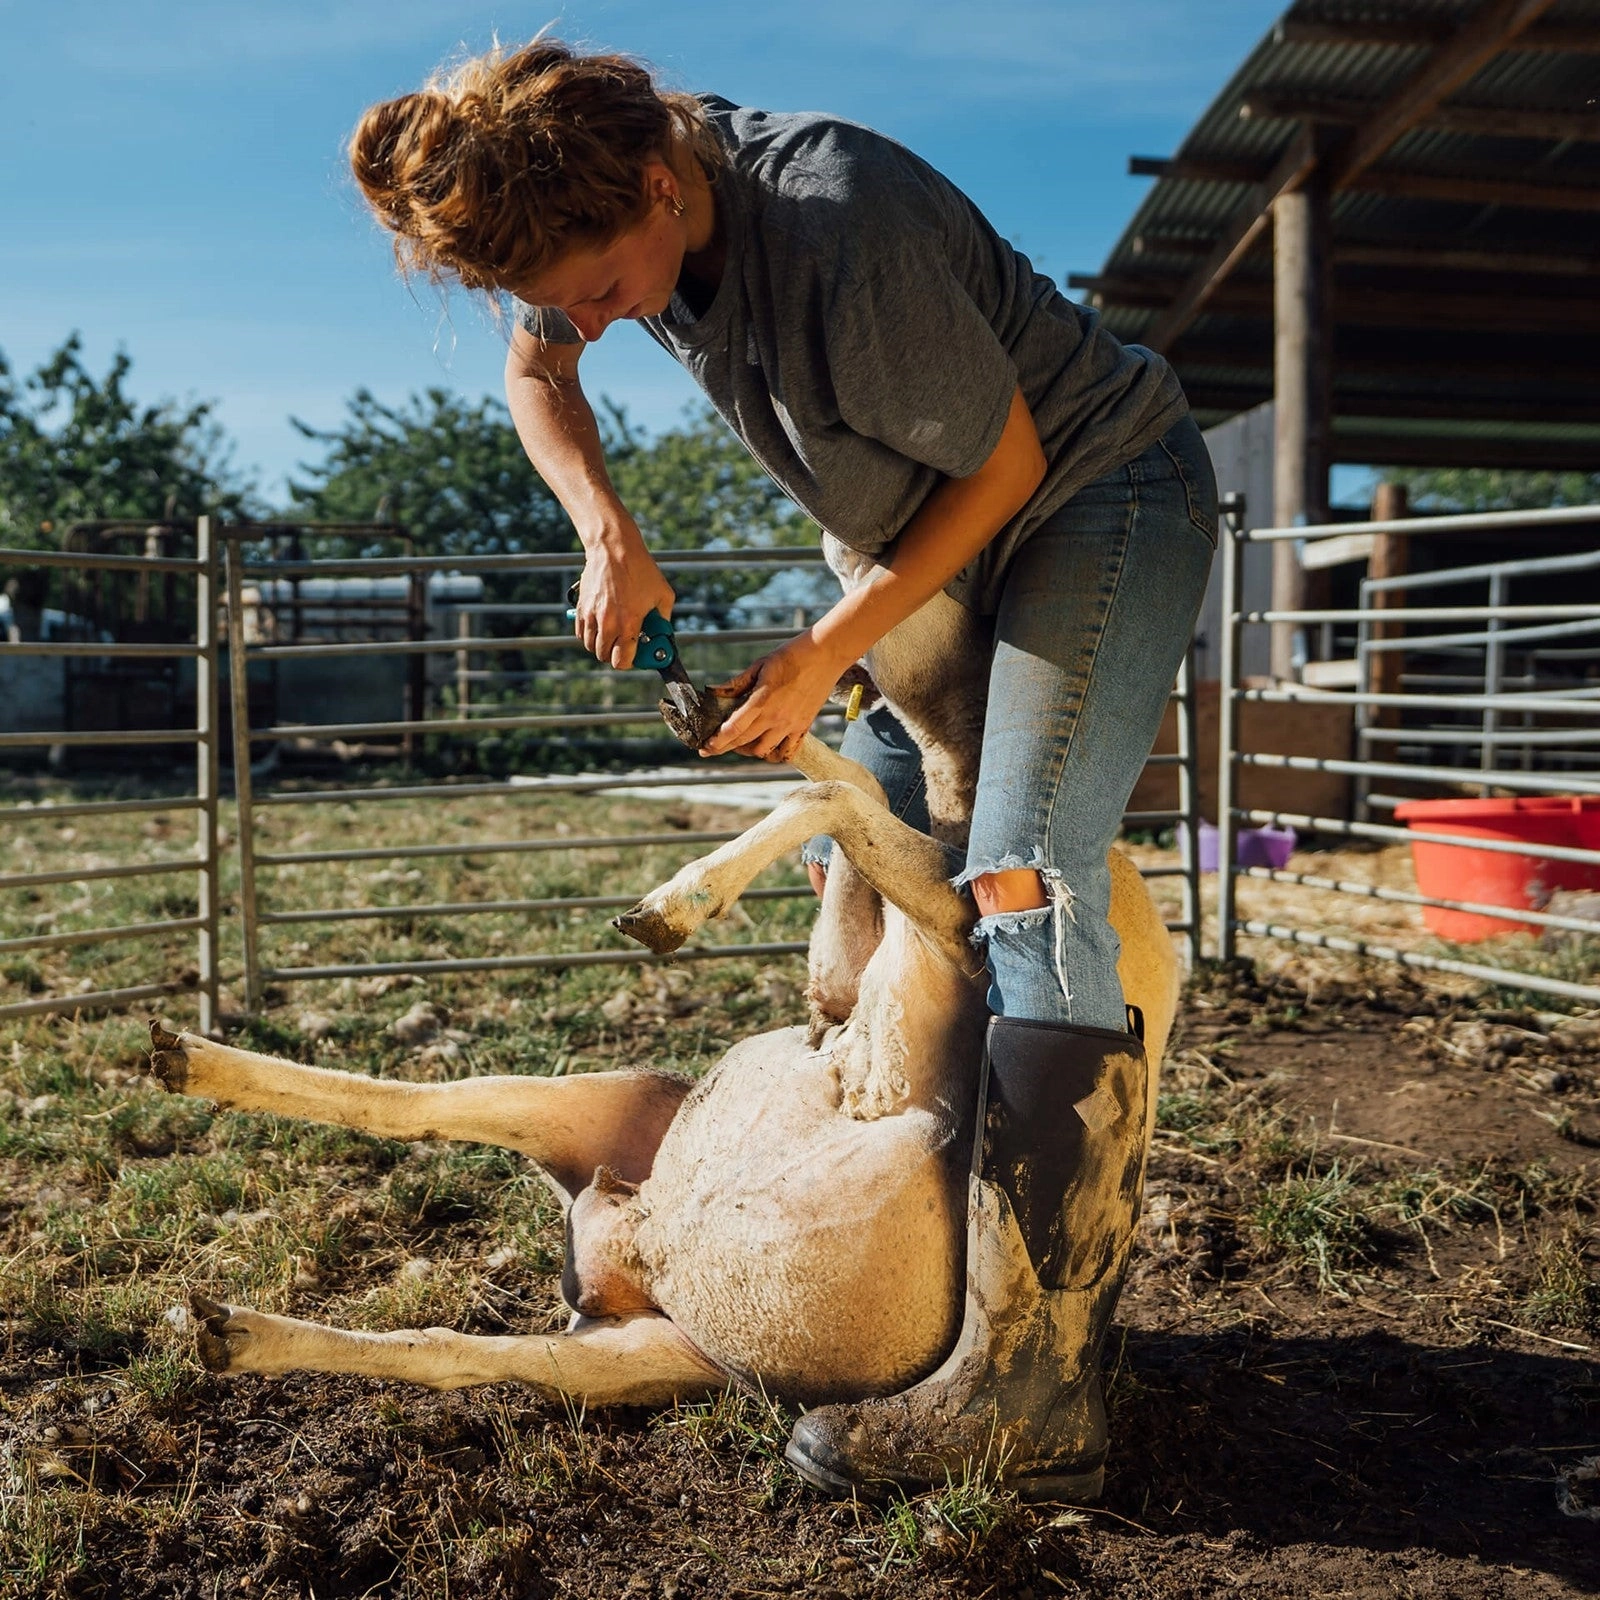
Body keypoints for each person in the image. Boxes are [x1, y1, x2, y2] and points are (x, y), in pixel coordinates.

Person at [350, 37, 1216, 1500]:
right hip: (911, 533)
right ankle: (921, 1258)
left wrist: (822, 651)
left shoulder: (836, 223)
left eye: (600, 289)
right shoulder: (595, 230)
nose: (584, 323)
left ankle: (1038, 1380)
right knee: (861, 862)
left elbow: (1002, 470)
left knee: (1019, 868)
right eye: (554, 300)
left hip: (1089, 494)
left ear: (656, 180)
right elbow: (535, 368)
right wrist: (604, 528)